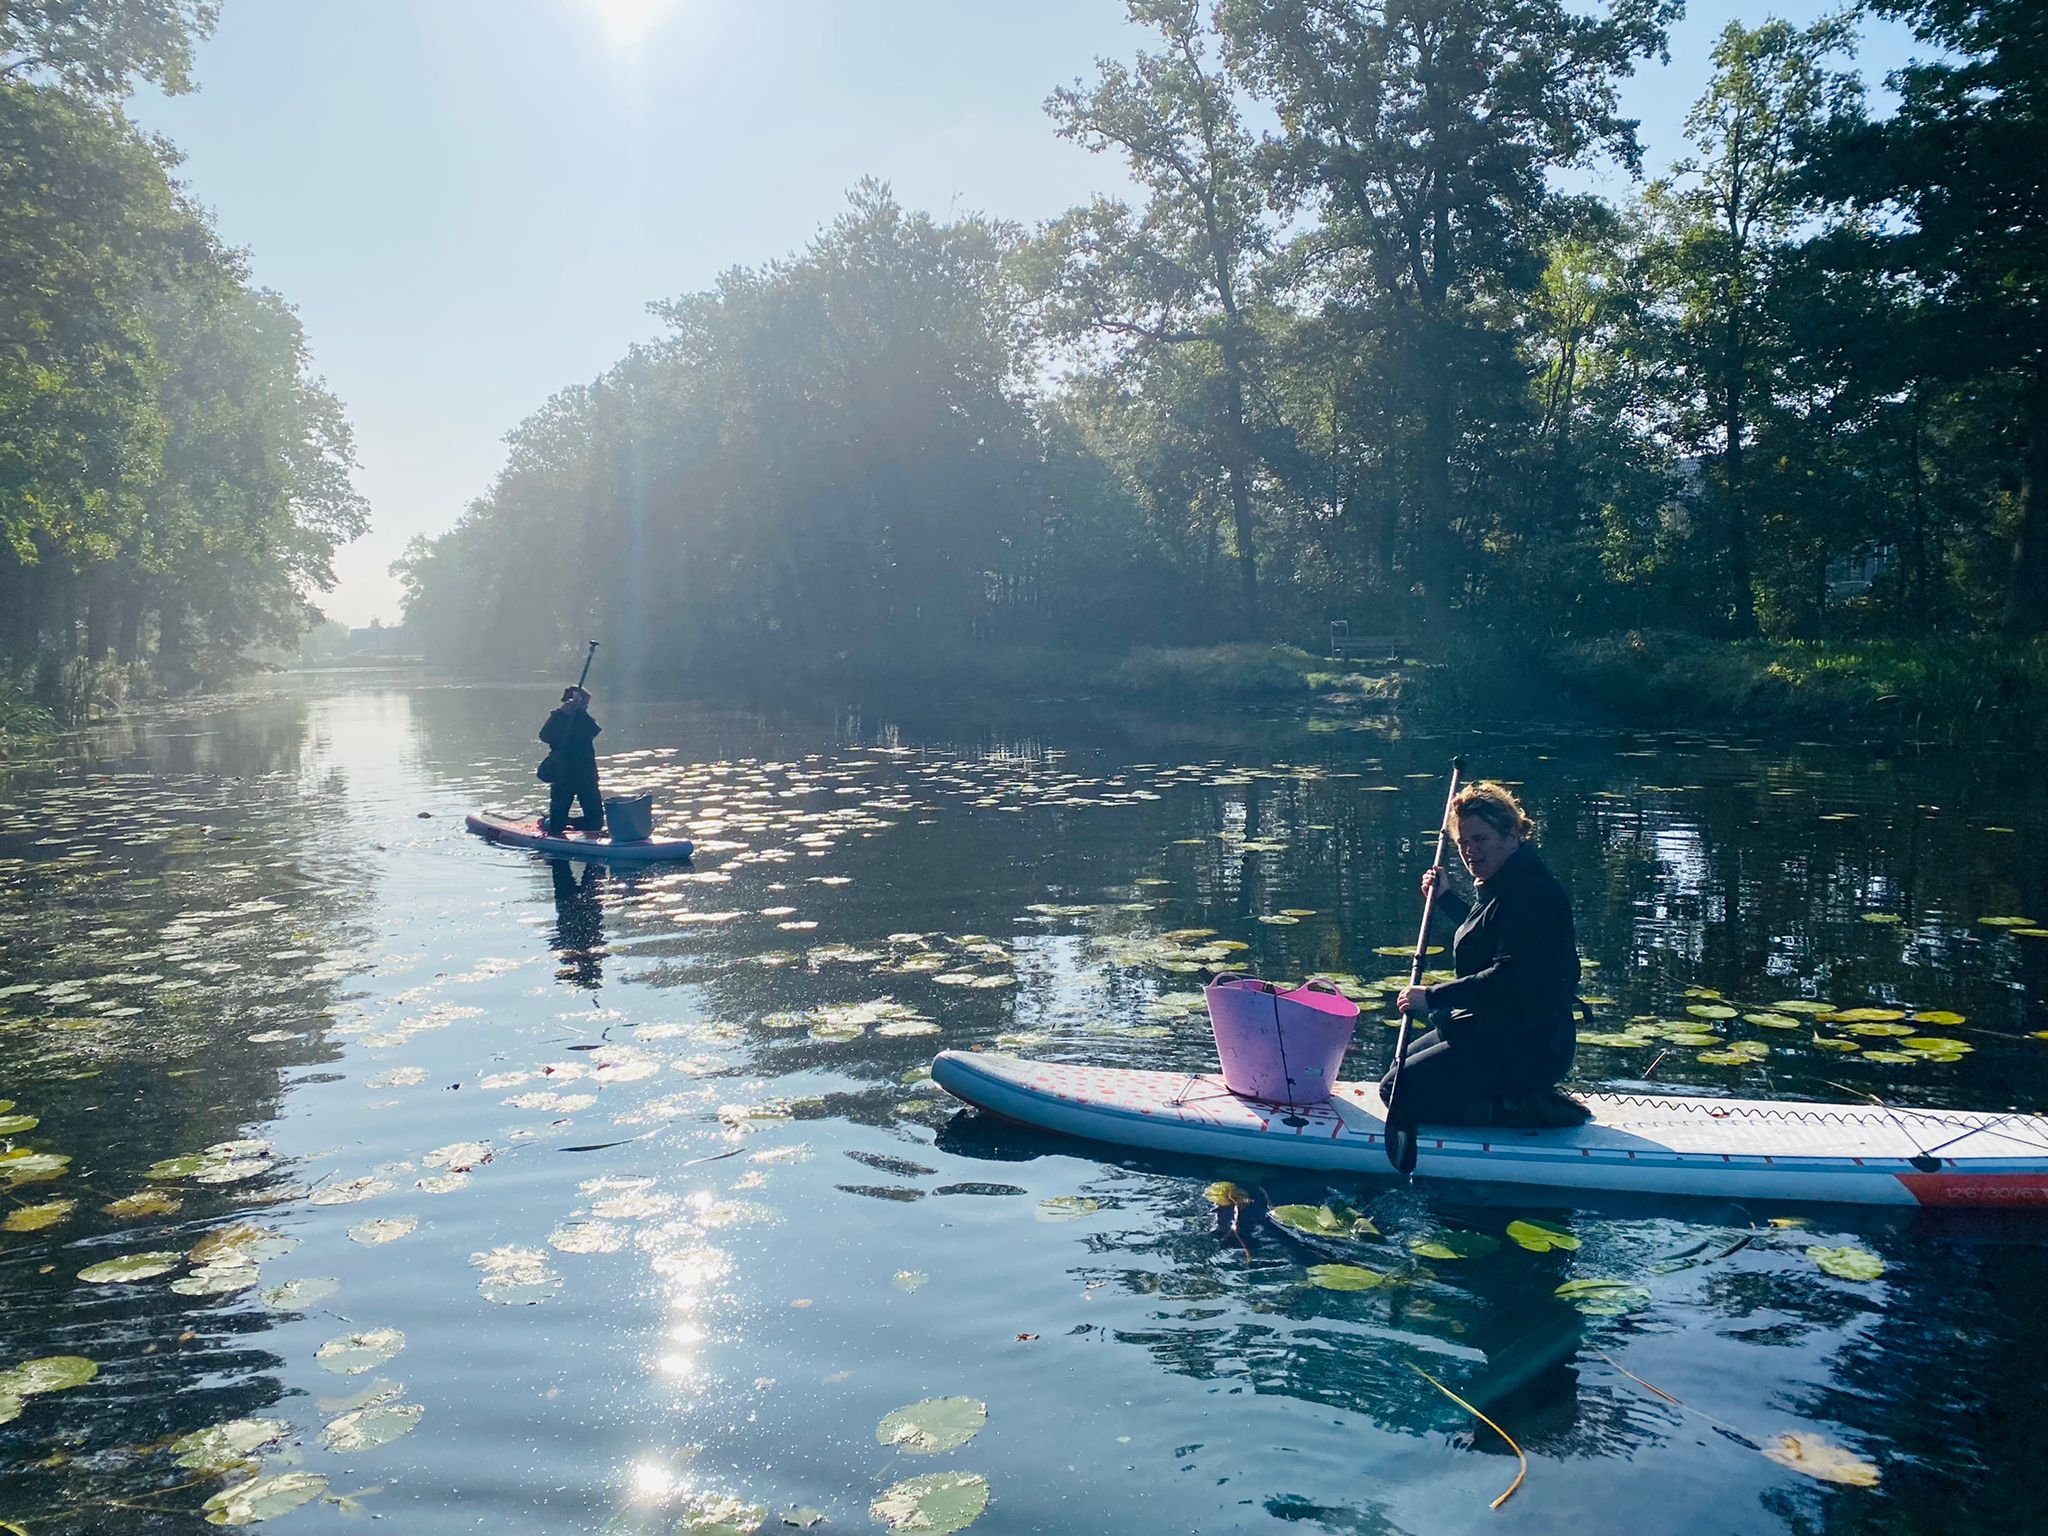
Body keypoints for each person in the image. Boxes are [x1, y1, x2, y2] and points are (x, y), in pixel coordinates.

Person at [1381, 780, 1586, 1128]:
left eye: (1480, 839)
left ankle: (1521, 1108)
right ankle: (1511, 1096)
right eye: (1463, 842)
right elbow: (1490, 936)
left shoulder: (1531, 894)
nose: (1470, 851)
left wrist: (1432, 996)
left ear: (1511, 836)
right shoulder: (1505, 880)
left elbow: (1508, 979)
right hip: (1496, 1026)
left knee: (1397, 1091)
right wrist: (1445, 899)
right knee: (1398, 1068)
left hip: (1531, 1045)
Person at [538, 686, 603, 834]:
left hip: (586, 775)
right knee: (556, 826)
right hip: (563, 775)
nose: (586, 706)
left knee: (596, 822)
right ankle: (551, 822)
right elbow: (544, 736)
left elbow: (594, 731)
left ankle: (571, 822)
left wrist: (580, 712)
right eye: (584, 703)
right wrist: (562, 713)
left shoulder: (584, 720)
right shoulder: (558, 718)